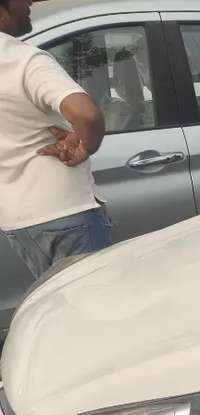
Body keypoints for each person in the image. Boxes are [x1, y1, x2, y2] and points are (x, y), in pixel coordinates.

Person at [0, 0, 111, 279]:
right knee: (95, 306)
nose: (29, 2)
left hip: (17, 220)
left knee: (62, 308)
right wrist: (86, 145)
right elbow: (87, 115)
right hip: (66, 212)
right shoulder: (22, 60)